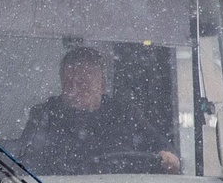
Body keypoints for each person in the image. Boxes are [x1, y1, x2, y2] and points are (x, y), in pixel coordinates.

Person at [14, 46, 179, 175]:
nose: (72, 91)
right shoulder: (46, 115)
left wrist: (169, 159)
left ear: (102, 86)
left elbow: (166, 152)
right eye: (67, 83)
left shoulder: (126, 114)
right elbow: (26, 166)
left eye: (83, 83)